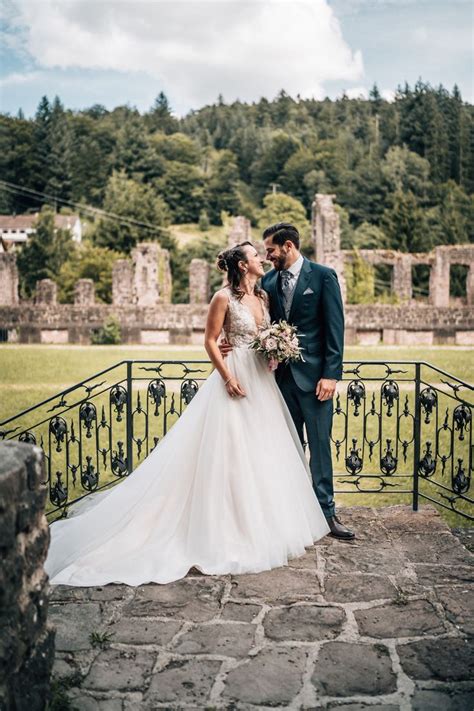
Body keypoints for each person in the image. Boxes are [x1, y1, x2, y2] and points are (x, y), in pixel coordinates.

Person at [44, 242, 330, 587]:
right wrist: (227, 375)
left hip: (261, 378)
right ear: (242, 265)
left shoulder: (265, 298)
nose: (262, 259)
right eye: (256, 256)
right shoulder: (222, 298)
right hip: (235, 374)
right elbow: (210, 340)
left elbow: (263, 332)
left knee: (263, 449)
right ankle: (225, 526)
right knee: (230, 450)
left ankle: (266, 521)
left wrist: (275, 347)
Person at [221, 225, 354, 539]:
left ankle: (326, 514)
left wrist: (331, 375)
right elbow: (249, 318)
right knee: (287, 449)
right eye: (264, 252)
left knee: (319, 448)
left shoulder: (323, 277)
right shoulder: (266, 282)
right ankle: (294, 515)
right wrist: (228, 341)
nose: (267, 257)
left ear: (288, 246)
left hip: (316, 380)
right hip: (277, 381)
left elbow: (335, 329)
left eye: (271, 250)